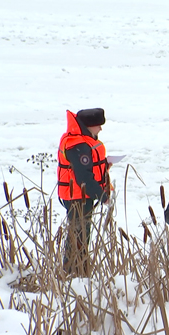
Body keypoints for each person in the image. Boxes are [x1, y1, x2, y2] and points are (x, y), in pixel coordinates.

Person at [57, 108, 111, 277]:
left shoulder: (81, 141)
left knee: (80, 235)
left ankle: (78, 272)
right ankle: (74, 274)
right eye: (98, 126)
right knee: (78, 237)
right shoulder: (78, 145)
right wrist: (102, 196)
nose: (100, 129)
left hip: (82, 196)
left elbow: (86, 169)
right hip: (77, 198)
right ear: (89, 126)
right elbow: (83, 177)